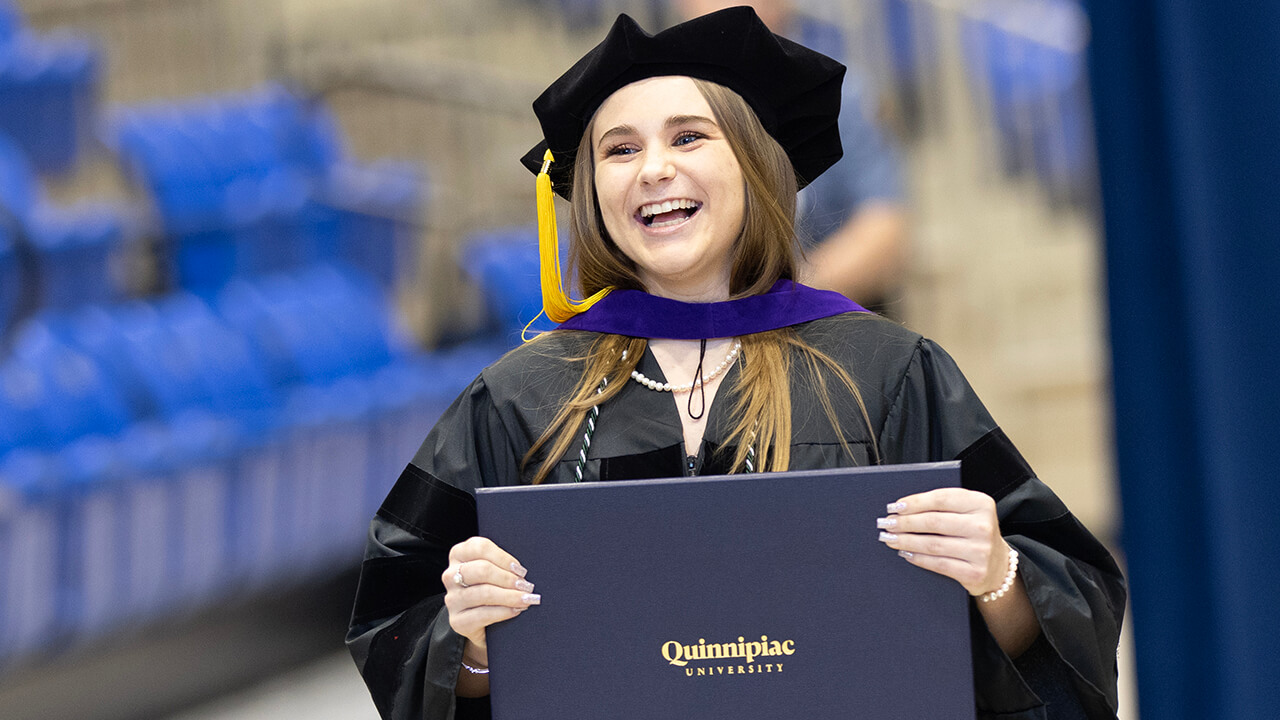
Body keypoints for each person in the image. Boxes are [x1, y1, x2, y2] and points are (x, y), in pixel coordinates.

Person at [346, 8, 1125, 720]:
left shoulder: (885, 371)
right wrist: (474, 645)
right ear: (590, 194)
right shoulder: (519, 398)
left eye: (688, 137)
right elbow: (397, 628)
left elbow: (1068, 621)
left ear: (757, 167)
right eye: (619, 149)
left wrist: (996, 573)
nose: (652, 168)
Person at [673, 0, 910, 313]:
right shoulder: (650, 104)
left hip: (821, 321)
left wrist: (772, 301)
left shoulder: (838, 93)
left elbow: (884, 231)